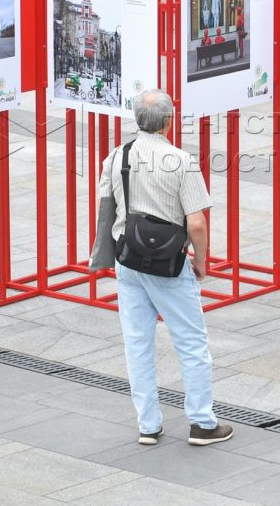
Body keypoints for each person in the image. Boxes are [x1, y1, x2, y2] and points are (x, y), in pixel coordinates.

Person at [92, 90, 233, 447]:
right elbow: (197, 223)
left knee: (137, 343)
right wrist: (201, 260)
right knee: (191, 342)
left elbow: (105, 209)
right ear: (170, 121)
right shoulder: (181, 161)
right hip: (169, 265)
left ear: (137, 119)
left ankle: (148, 425)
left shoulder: (117, 156)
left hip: (128, 259)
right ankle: (202, 423)